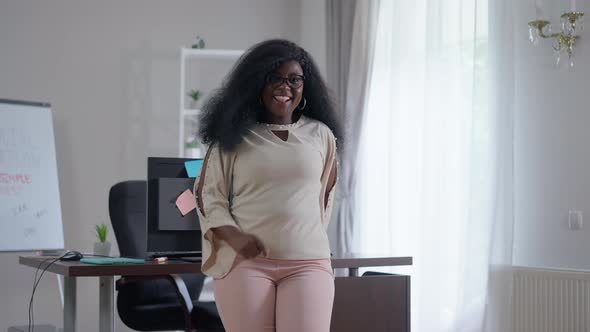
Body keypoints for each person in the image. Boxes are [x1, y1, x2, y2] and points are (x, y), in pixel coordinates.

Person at [194, 39, 342, 332]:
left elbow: (324, 196)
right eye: (274, 77)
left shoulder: (321, 135)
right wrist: (234, 237)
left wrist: (304, 239)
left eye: (294, 79)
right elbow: (209, 196)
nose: (284, 86)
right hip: (246, 265)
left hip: (308, 263)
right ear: (256, 83)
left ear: (305, 85)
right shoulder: (232, 136)